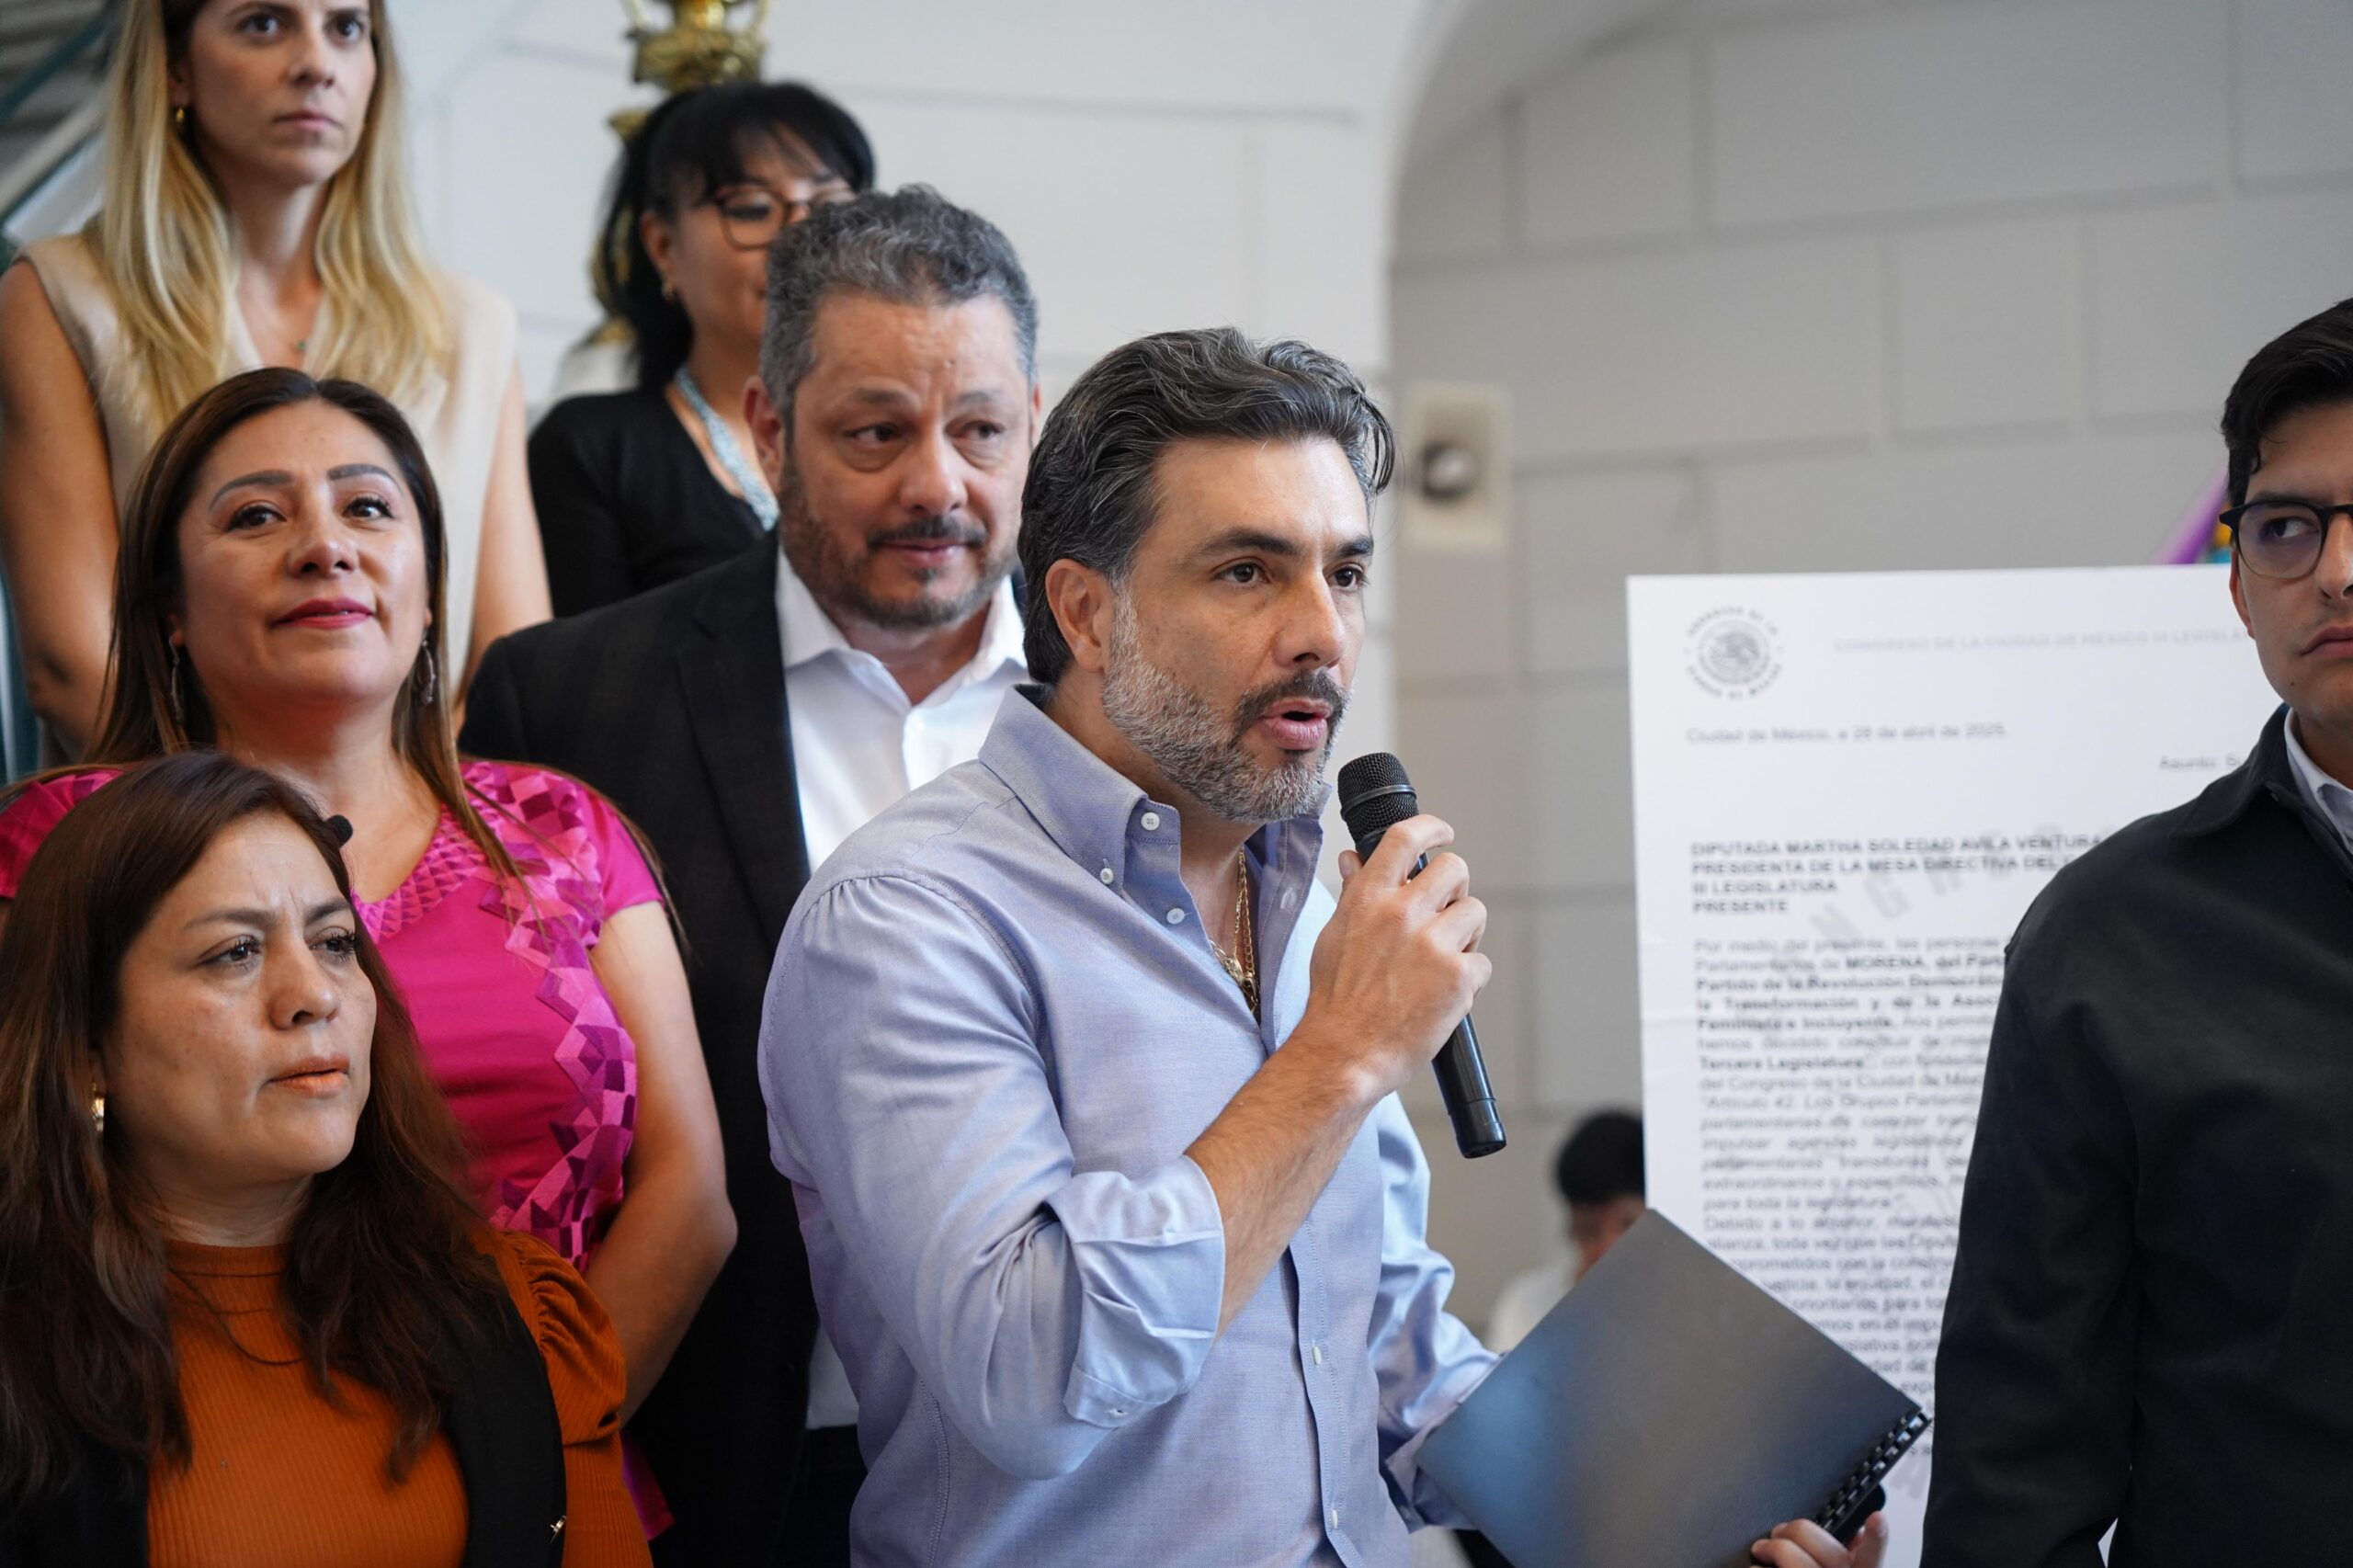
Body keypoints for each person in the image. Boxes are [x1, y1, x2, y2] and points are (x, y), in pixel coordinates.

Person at [758, 325, 1885, 1568]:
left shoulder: (1310, 906)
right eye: (1249, 571)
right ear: (1086, 610)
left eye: (1345, 573)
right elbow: (1033, 1375)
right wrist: (1342, 1052)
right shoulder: (906, 917)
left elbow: (1383, 1361)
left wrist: (1690, 1512)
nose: (1323, 633)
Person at [0, 369, 733, 1534]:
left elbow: (689, 1192)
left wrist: (516, 1463)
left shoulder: (564, 828)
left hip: (557, 1467)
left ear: (431, 593)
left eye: (368, 507)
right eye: (257, 514)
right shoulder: (57, 840)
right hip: (180, 1479)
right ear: (169, 608)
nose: (324, 545)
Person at [463, 186, 1037, 1566]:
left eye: (979, 430)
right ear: (769, 429)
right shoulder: (570, 702)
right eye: (876, 433)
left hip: (1072, 1471)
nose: (937, 487)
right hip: (725, 1469)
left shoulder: (1131, 700)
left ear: (1033, 421)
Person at [1923, 299, 2353, 1565]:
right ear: (2238, 585)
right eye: (2287, 526)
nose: (2338, 570)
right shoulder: (2111, 937)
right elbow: (2019, 1441)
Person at [0, 751, 649, 1565]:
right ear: (87, 1044)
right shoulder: (21, 1354)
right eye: (235, 952)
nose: (316, 994)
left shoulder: (519, 1311)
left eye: (336, 942)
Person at [0, 0, 550, 754]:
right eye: (264, 23)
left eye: (346, 28)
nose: (316, 63)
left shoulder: (472, 326)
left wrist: (410, 812)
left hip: (432, 804)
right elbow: (72, 667)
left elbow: (511, 662)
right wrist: (240, 823)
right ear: (175, 67)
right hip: (160, 805)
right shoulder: (63, 296)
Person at [530, 80, 875, 617]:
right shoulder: (593, 450)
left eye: (828, 206)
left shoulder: (914, 435)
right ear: (663, 247)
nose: (799, 235)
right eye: (752, 208)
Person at [1486, 1108, 1646, 1352]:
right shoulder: (1528, 1305)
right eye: (1590, 1230)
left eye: (1627, 1226)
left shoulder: (1685, 1306)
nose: (1608, 1247)